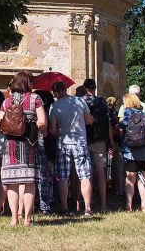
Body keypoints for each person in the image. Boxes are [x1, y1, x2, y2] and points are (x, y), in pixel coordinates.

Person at [0, 71, 46, 226]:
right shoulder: (35, 99)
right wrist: (31, 127)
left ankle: (13, 219)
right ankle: (27, 219)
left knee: (12, 183)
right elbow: (43, 122)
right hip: (28, 145)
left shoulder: (7, 101)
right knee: (29, 183)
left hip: (10, 145)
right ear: (27, 83)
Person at [49, 81, 94, 217]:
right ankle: (87, 208)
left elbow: (52, 129)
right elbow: (89, 121)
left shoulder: (55, 106)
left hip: (63, 143)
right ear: (66, 89)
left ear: (55, 93)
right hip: (80, 142)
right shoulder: (80, 101)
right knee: (84, 176)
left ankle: (64, 207)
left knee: (63, 177)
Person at [81, 79, 114, 213]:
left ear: (84, 88)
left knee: (84, 174)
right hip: (99, 139)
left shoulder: (80, 101)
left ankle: (83, 205)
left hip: (84, 139)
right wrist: (110, 141)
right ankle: (103, 205)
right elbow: (108, 123)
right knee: (101, 172)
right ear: (95, 87)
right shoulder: (102, 101)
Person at [119, 94, 145, 212]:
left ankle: (128, 205)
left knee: (130, 179)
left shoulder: (128, 113)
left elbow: (122, 126)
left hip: (131, 151)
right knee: (142, 179)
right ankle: (144, 206)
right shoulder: (144, 114)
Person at [107, 96, 125, 196]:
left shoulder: (108, 114)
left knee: (112, 167)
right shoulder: (115, 114)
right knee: (118, 167)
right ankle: (119, 190)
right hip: (116, 142)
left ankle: (116, 189)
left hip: (110, 142)